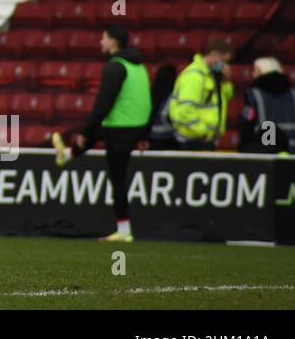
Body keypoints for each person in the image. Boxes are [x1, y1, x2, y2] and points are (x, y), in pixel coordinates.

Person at [51, 27, 152, 243]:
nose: (101, 41)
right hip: (134, 127)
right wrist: (144, 134)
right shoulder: (139, 67)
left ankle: (124, 232)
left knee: (117, 178)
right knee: (96, 135)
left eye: (104, 38)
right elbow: (145, 100)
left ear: (114, 42)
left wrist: (84, 132)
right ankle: (68, 153)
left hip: (119, 128)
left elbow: (104, 104)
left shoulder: (114, 68)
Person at [168, 37, 236, 151]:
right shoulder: (195, 77)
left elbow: (224, 99)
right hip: (193, 139)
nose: (225, 66)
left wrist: (226, 81)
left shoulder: (212, 76)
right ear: (214, 55)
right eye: (223, 62)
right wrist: (203, 132)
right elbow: (186, 111)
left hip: (205, 138)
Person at [239, 57, 295, 155]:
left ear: (262, 71)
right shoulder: (294, 94)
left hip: (264, 152)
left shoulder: (253, 94)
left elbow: (247, 124)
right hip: (292, 151)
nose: (253, 74)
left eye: (255, 70)